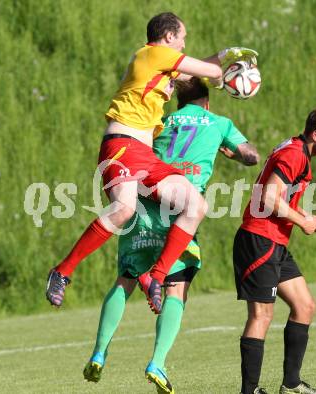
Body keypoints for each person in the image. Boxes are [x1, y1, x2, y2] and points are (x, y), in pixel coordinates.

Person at [45, 11, 258, 313]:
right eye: (182, 39)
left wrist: (223, 68)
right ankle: (62, 271)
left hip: (145, 156)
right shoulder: (152, 54)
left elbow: (197, 73)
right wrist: (226, 57)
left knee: (196, 206)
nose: (184, 46)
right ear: (169, 37)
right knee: (123, 209)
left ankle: (157, 277)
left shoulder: (163, 64)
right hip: (122, 145)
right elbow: (207, 72)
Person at [82, 77, 260, 392]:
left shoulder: (162, 120)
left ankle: (99, 353)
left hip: (144, 204)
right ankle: (157, 363)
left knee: (125, 278)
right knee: (176, 289)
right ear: (208, 101)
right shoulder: (218, 122)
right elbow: (250, 156)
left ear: (178, 102)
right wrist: (233, 149)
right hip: (180, 211)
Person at [233, 106, 316, 394]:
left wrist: (304, 214)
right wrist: (303, 221)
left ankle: (292, 385)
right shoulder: (295, 153)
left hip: (275, 241)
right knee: (261, 315)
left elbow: (283, 195)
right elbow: (269, 197)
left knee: (305, 306)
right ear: (315, 134)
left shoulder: (298, 151)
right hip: (259, 240)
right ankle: (249, 391)